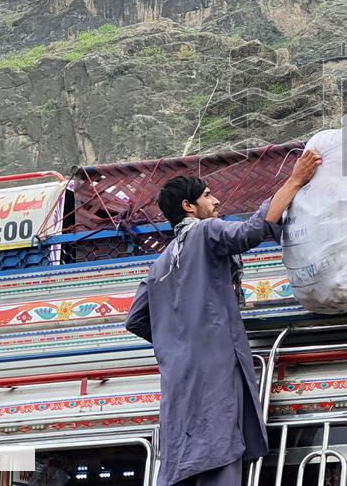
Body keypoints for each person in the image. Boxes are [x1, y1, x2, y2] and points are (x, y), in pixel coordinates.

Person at [124, 150, 322, 486]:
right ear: (189, 207)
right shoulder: (204, 233)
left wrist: (179, 342)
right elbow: (250, 232)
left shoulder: (159, 264)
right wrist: (296, 180)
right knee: (220, 453)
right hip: (214, 381)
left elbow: (136, 320)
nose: (216, 202)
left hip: (181, 392)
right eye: (208, 196)